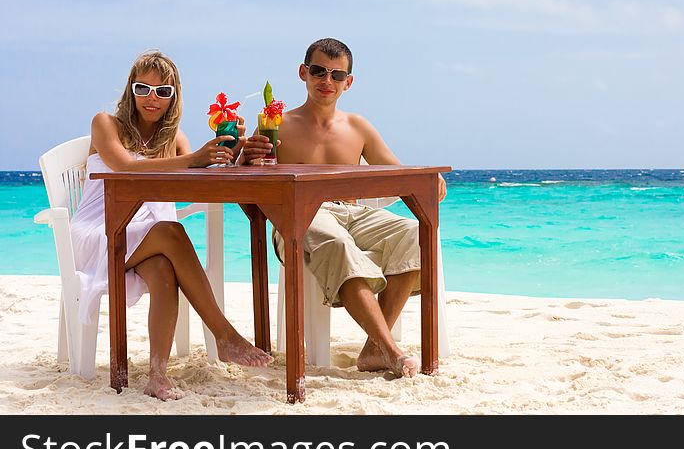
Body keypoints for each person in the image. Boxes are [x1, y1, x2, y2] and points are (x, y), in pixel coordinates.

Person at [71, 50, 273, 401]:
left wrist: (234, 150)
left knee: (165, 267)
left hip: (145, 237)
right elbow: (125, 168)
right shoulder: (106, 124)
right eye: (144, 88)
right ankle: (224, 335)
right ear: (130, 91)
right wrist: (194, 158)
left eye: (163, 92)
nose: (152, 99)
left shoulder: (174, 138)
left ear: (173, 97)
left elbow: (201, 177)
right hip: (101, 230)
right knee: (172, 230)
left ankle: (157, 376)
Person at [241, 38, 446, 378]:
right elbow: (249, 185)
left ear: (348, 82)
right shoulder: (277, 126)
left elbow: (397, 173)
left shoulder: (357, 127)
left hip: (354, 213)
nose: (327, 81)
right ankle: (391, 349)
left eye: (337, 75)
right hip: (298, 217)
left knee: (416, 234)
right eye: (319, 71)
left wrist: (430, 181)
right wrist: (247, 160)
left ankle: (372, 349)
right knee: (337, 244)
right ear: (303, 73)